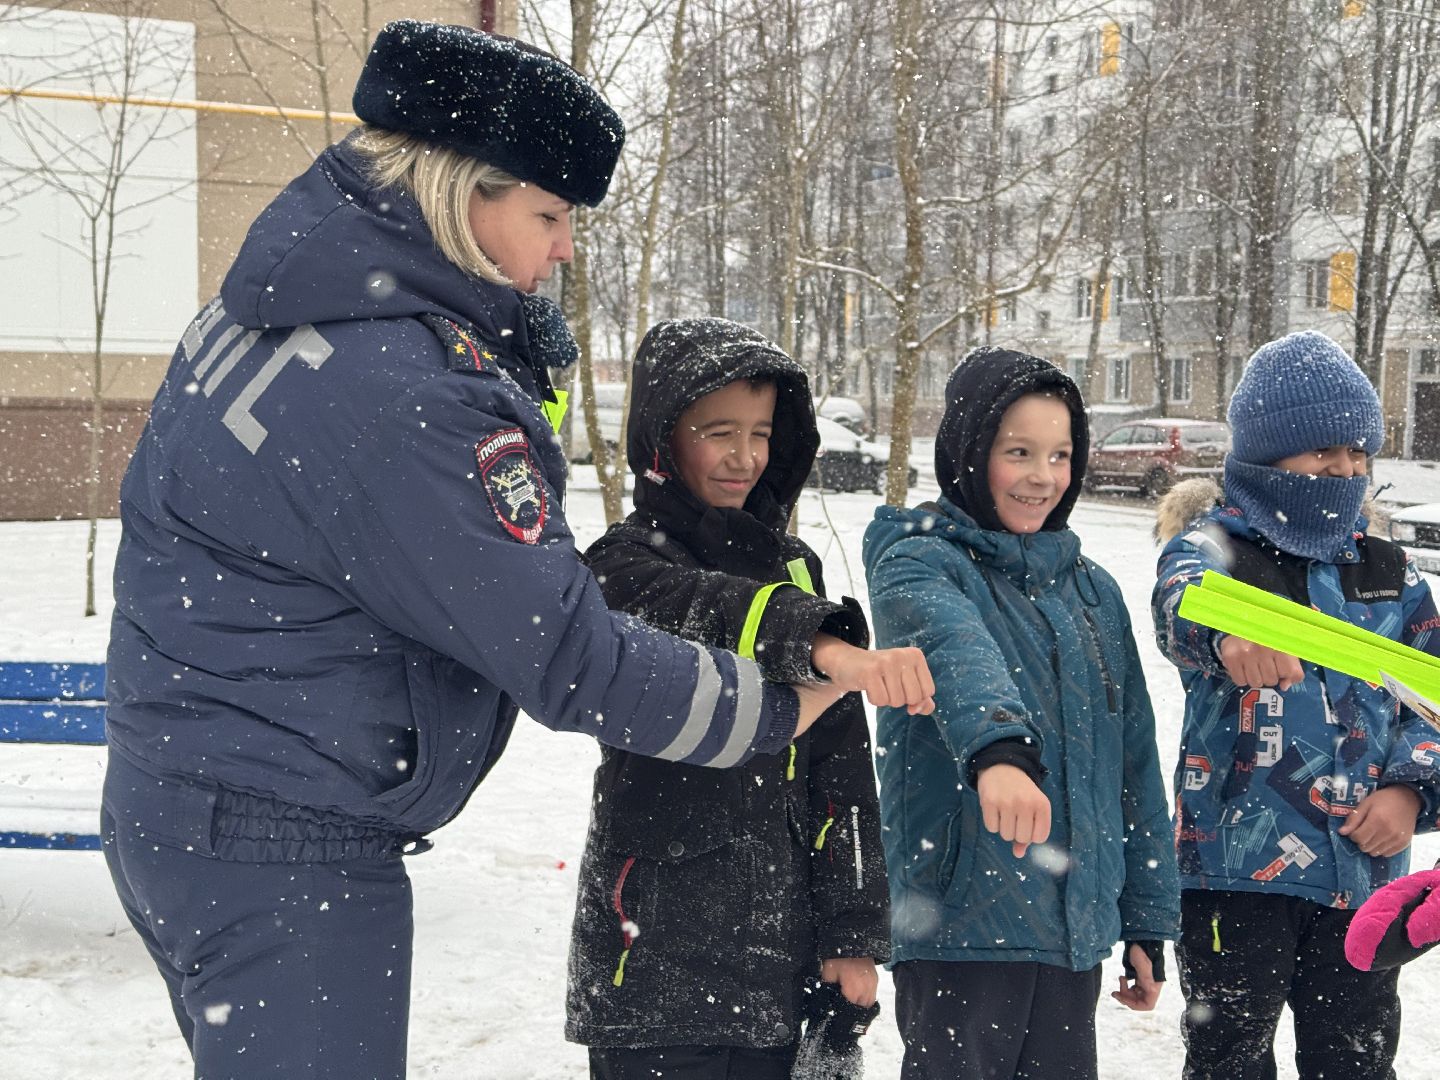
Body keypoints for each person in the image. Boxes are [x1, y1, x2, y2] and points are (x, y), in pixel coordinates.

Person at [102, 23, 846, 1079]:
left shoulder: (274, 303)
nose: (565, 247)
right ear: (461, 190)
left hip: (182, 796)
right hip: (285, 846)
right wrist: (772, 707)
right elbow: (568, 653)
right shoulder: (407, 394)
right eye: (549, 215)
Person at [564, 318, 934, 1080]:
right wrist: (821, 646)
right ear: (662, 441)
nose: (745, 457)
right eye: (718, 432)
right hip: (649, 972)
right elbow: (701, 608)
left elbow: (841, 773)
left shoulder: (794, 567)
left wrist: (852, 932)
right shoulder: (621, 565)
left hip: (777, 970)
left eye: (761, 433)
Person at [863, 347, 1179, 1080]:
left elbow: (1133, 761)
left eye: (1060, 455)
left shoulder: (1093, 592)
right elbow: (955, 650)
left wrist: (1146, 917)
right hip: (961, 926)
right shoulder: (919, 561)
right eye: (1019, 452)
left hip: (1072, 933)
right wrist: (1000, 751)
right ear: (970, 455)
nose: (1043, 476)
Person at [1152, 330, 1440, 1080]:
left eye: (1357, 453)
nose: (1344, 470)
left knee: (1356, 1062)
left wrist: (1412, 790)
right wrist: (1225, 635)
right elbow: (1177, 602)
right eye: (1321, 452)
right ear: (1266, 458)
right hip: (1233, 875)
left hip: (1365, 880)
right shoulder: (1216, 551)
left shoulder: (1390, 573)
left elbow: (1434, 701)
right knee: (1229, 1061)